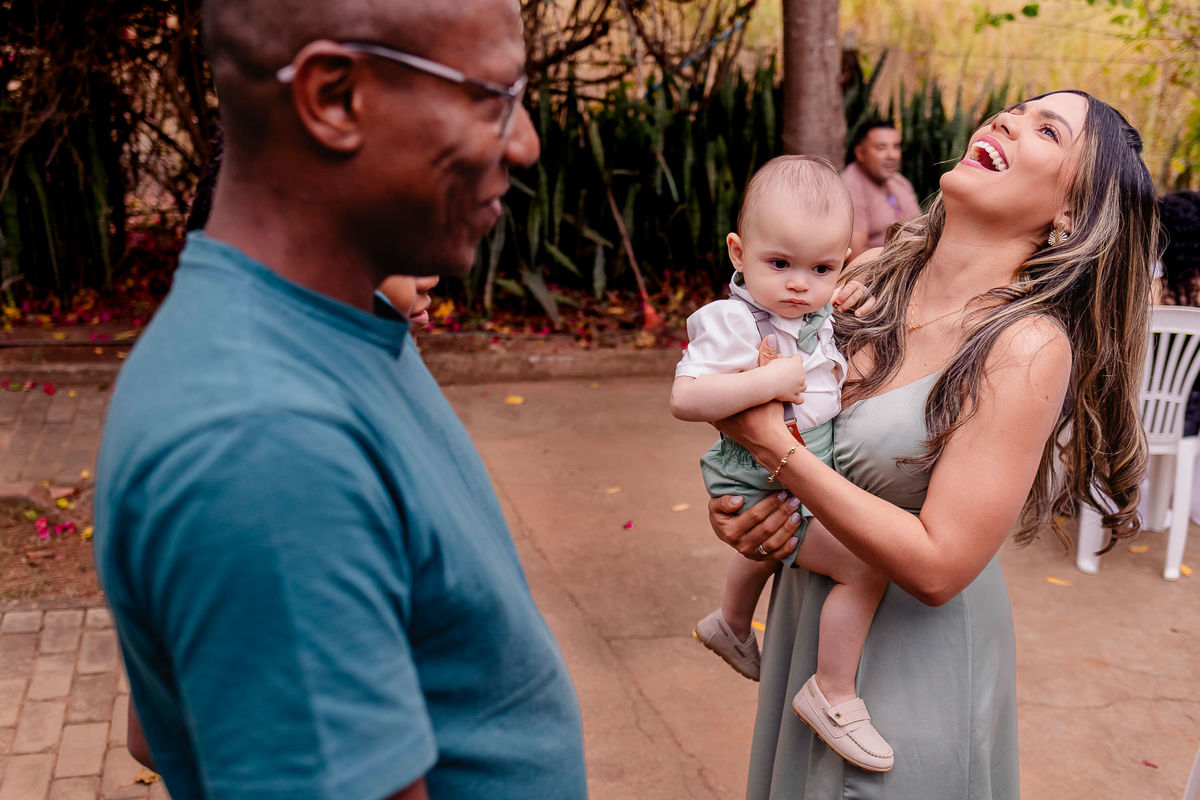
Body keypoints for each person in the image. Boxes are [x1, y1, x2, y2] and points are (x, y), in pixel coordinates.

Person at [94, 3, 588, 800]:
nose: (524, 141)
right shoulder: (264, 442)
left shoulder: (344, 327)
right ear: (334, 98)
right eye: (491, 97)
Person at [707, 91, 1155, 798]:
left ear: (1072, 212)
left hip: (911, 660)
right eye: (1015, 110)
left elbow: (941, 566)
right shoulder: (864, 278)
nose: (1008, 121)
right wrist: (748, 515)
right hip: (811, 617)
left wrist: (776, 454)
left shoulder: (1026, 347)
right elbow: (767, 400)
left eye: (1047, 131)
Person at [672, 155, 893, 772]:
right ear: (738, 254)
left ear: (842, 262)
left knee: (772, 544)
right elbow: (685, 398)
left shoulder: (819, 314)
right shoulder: (732, 321)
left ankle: (730, 623)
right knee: (865, 567)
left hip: (793, 470)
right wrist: (767, 381)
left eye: (821, 268)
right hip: (757, 475)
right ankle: (833, 691)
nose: (799, 283)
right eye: (779, 264)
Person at [841, 119, 922, 262]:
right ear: (860, 153)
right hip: (880, 271)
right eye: (881, 148)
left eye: (896, 147)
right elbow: (856, 257)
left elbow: (922, 231)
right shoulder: (849, 187)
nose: (892, 155)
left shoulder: (900, 182)